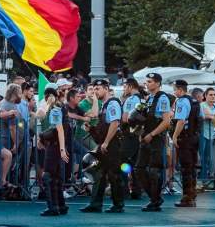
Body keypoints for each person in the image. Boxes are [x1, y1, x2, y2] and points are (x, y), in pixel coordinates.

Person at [80, 79, 124, 213]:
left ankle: (118, 205)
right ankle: (95, 204)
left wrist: (106, 142)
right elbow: (102, 128)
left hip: (112, 145)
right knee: (99, 174)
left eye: (98, 89)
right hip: (104, 144)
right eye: (94, 89)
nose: (95, 92)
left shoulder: (112, 103)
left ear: (106, 88)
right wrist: (91, 130)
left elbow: (115, 123)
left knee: (113, 175)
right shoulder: (104, 105)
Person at [135, 72, 172, 212]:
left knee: (154, 170)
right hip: (146, 137)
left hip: (156, 138)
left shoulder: (162, 98)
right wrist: (141, 132)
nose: (147, 83)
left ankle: (155, 201)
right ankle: (154, 197)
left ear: (157, 83)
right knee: (139, 169)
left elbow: (166, 121)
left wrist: (152, 134)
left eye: (150, 81)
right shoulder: (149, 98)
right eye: (147, 81)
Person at [39, 87, 70, 216]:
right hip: (57, 145)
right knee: (56, 177)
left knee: (47, 176)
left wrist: (62, 149)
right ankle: (61, 205)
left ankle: (52, 207)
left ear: (47, 97)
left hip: (55, 146)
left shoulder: (55, 109)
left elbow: (60, 130)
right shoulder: (60, 106)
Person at [171, 80, 200, 207]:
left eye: (175, 89)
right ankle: (192, 195)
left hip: (185, 138)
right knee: (192, 167)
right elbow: (201, 118)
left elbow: (181, 121)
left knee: (185, 168)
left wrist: (175, 135)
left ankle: (187, 198)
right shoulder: (195, 101)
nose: (174, 92)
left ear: (180, 90)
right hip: (194, 137)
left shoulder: (182, 101)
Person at [120, 78, 143, 199]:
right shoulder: (143, 98)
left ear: (130, 86)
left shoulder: (131, 99)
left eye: (125, 87)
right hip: (139, 135)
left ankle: (124, 189)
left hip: (129, 134)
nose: (124, 89)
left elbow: (125, 118)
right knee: (135, 163)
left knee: (123, 162)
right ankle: (136, 190)